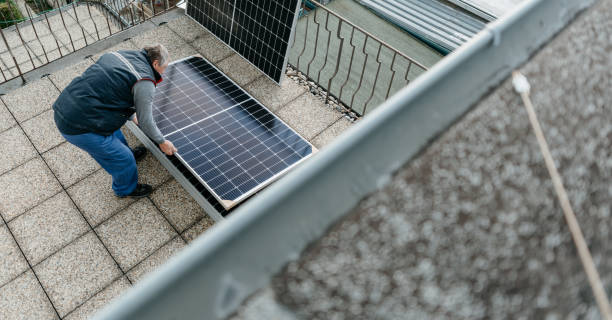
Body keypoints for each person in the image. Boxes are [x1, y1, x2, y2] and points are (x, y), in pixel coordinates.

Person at [53, 44, 177, 198]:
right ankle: (125, 189)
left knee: (115, 134)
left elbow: (111, 89)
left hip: (70, 103)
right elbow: (145, 121)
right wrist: (162, 141)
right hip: (77, 126)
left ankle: (123, 153)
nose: (164, 71)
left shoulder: (120, 55)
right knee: (123, 159)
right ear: (155, 64)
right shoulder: (145, 81)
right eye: (164, 67)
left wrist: (131, 115)